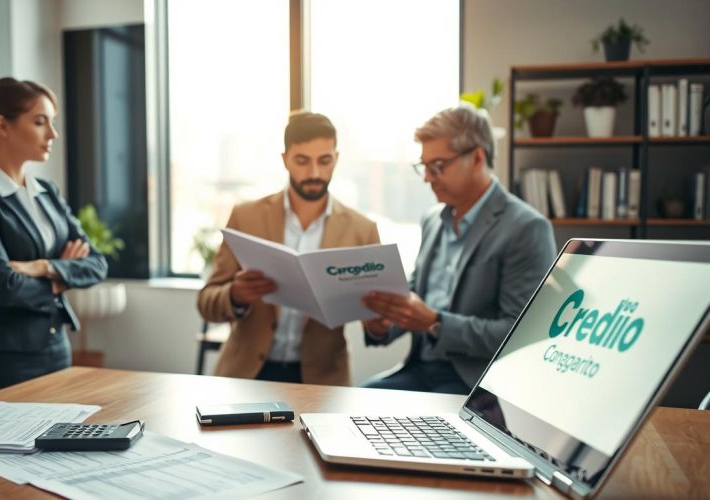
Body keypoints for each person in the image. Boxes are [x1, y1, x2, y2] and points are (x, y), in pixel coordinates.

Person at [361, 105, 556, 394]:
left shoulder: (526, 228)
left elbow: (520, 335)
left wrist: (436, 323)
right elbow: (415, 295)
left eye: (437, 166)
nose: (427, 177)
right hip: (418, 372)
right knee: (349, 408)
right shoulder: (432, 220)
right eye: (423, 166)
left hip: (475, 385)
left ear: (477, 157)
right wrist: (383, 324)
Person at [0, 77, 108, 397]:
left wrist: (44, 267)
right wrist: (62, 277)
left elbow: (97, 264)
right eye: (40, 122)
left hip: (56, 347)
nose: (53, 134)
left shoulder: (46, 192)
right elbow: (4, 287)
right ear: (2, 126)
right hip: (2, 358)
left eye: (52, 123)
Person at [197, 111, 380, 385]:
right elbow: (206, 303)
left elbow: (377, 324)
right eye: (302, 161)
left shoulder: (361, 229)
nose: (314, 173)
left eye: (325, 161)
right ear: (285, 160)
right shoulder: (246, 217)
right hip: (247, 374)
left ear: (336, 159)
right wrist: (235, 294)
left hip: (322, 381)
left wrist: (378, 320)